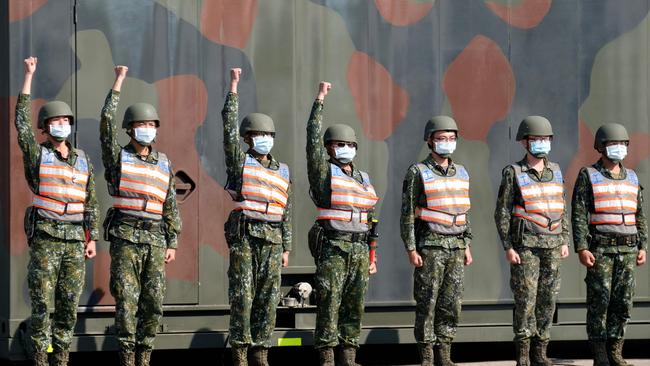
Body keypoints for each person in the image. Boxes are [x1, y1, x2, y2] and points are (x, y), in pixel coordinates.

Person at [15, 56, 98, 366]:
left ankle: (60, 357)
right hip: (47, 239)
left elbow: (91, 202)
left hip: (76, 241)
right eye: (55, 121)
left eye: (66, 120)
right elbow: (21, 124)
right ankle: (40, 356)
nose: (62, 125)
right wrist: (28, 76)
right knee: (41, 305)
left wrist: (92, 238)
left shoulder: (83, 159)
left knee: (67, 305)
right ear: (45, 128)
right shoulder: (38, 156)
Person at [100, 65, 181, 366]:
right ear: (131, 129)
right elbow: (106, 124)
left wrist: (172, 241)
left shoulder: (164, 164)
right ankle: (127, 357)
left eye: (152, 124)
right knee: (127, 301)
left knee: (153, 303)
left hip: (156, 241)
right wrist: (118, 83)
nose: (148, 129)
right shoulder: (119, 158)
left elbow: (170, 204)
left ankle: (144, 356)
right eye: (142, 124)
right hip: (126, 238)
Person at [222, 67, 292, 366]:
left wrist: (287, 246)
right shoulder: (241, 163)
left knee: (268, 298)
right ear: (248, 139)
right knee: (243, 296)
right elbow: (227, 131)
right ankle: (240, 353)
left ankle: (261, 352)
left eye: (267, 135)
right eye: (258, 135)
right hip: (246, 238)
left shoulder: (283, 170)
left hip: (273, 241)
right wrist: (234, 88)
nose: (264, 139)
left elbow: (285, 210)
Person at [306, 81, 378, 366]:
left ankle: (349, 357)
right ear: (329, 148)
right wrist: (319, 101)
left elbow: (370, 219)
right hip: (334, 249)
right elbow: (311, 141)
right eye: (339, 145)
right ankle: (326, 357)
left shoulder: (364, 179)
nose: (345, 149)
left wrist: (373, 253)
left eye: (349, 145)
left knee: (354, 306)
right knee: (329, 303)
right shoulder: (325, 175)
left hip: (360, 251)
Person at [494, 116, 570, 366]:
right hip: (526, 246)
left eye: (545, 139)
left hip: (552, 245)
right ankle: (524, 356)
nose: (541, 143)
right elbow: (502, 212)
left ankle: (540, 352)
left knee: (548, 300)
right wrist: (509, 246)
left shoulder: (556, 171)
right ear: (525, 142)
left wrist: (564, 240)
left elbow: (562, 207)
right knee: (526, 300)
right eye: (536, 139)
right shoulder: (513, 172)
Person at [571, 123, 647, 366]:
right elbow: (579, 213)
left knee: (623, 301)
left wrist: (643, 245)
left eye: (623, 144)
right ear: (601, 147)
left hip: (628, 249)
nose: (619, 148)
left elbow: (640, 214)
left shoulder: (632, 177)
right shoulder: (588, 175)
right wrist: (582, 248)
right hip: (601, 250)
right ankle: (600, 352)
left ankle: (616, 350)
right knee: (599, 301)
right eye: (614, 144)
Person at [400, 116, 473, 366]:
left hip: (456, 247)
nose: (447, 143)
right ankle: (427, 355)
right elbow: (408, 213)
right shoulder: (418, 171)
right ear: (430, 141)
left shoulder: (461, 172)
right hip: (430, 247)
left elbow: (462, 210)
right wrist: (411, 248)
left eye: (451, 138)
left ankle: (445, 353)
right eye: (441, 138)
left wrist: (467, 244)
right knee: (427, 303)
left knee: (451, 304)